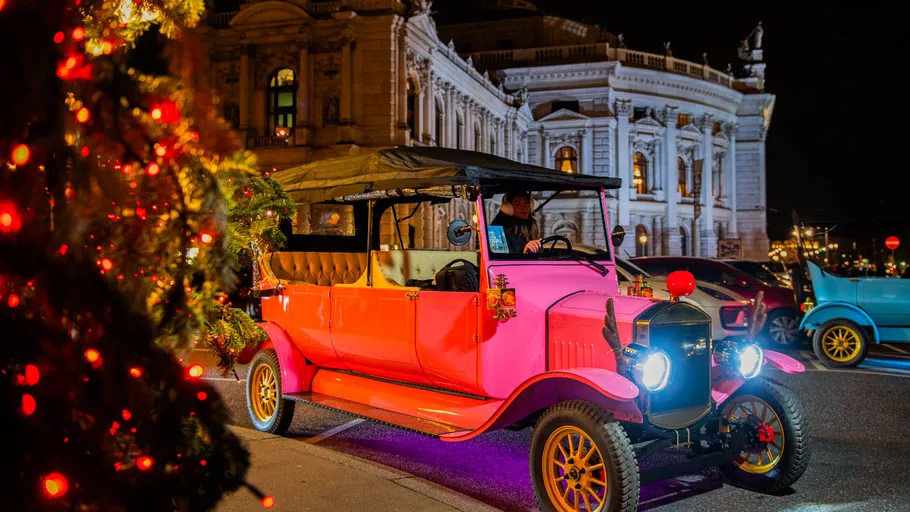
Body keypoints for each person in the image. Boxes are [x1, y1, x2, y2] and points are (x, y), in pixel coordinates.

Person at [490, 190, 542, 254]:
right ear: (508, 207)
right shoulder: (496, 229)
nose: (524, 208)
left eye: (526, 203)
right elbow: (499, 257)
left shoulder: (530, 223)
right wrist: (524, 252)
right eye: (517, 204)